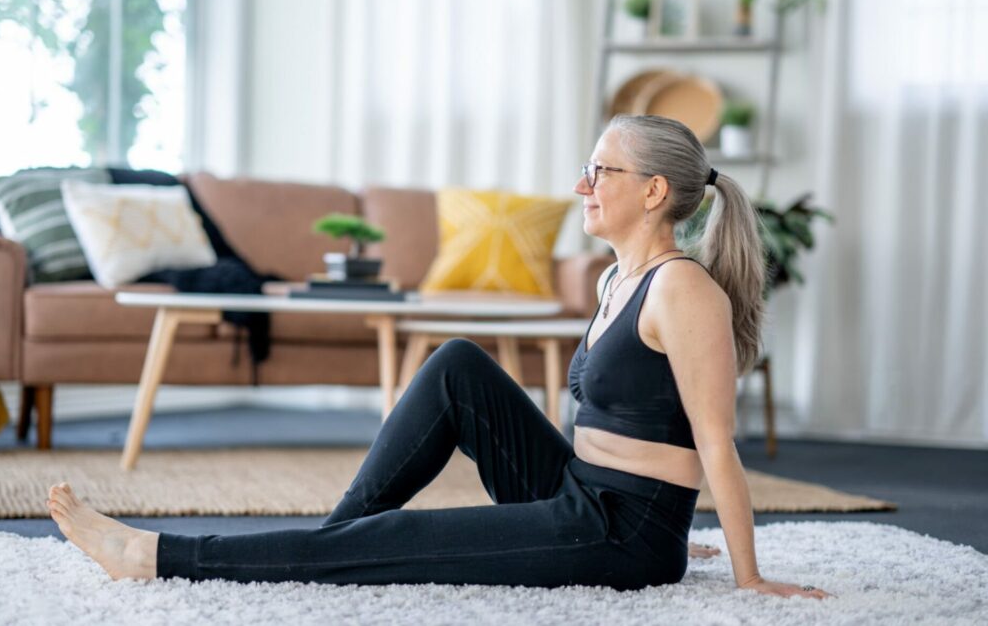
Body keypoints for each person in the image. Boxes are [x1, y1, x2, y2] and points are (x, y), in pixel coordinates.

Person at [46, 114, 829, 599]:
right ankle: (331, 545)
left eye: (601, 171)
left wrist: (745, 573)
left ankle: (149, 554)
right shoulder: (616, 277)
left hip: (619, 533)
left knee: (400, 546)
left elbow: (716, 444)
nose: (582, 184)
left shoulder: (684, 289)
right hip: (581, 486)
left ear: (655, 191)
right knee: (458, 361)